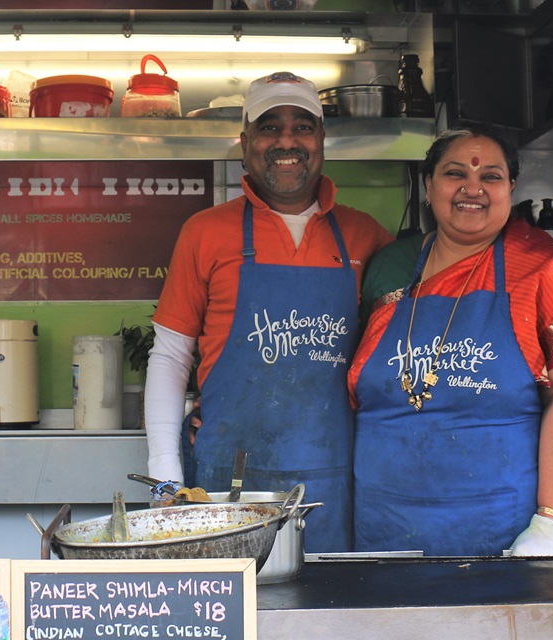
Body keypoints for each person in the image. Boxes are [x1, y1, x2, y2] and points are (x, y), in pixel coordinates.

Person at [346, 125, 553, 557]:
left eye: (490, 177)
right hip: (383, 521)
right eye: (455, 173)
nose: (471, 188)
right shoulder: (390, 268)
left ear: (510, 189)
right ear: (429, 186)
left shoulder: (544, 269)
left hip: (497, 528)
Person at [144, 71, 393, 553]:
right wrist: (164, 479)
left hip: (335, 479)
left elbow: (393, 359)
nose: (286, 140)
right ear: (245, 142)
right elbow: (172, 356)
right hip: (225, 479)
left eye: (303, 126)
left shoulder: (367, 236)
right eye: (269, 126)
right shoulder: (204, 231)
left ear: (321, 139)